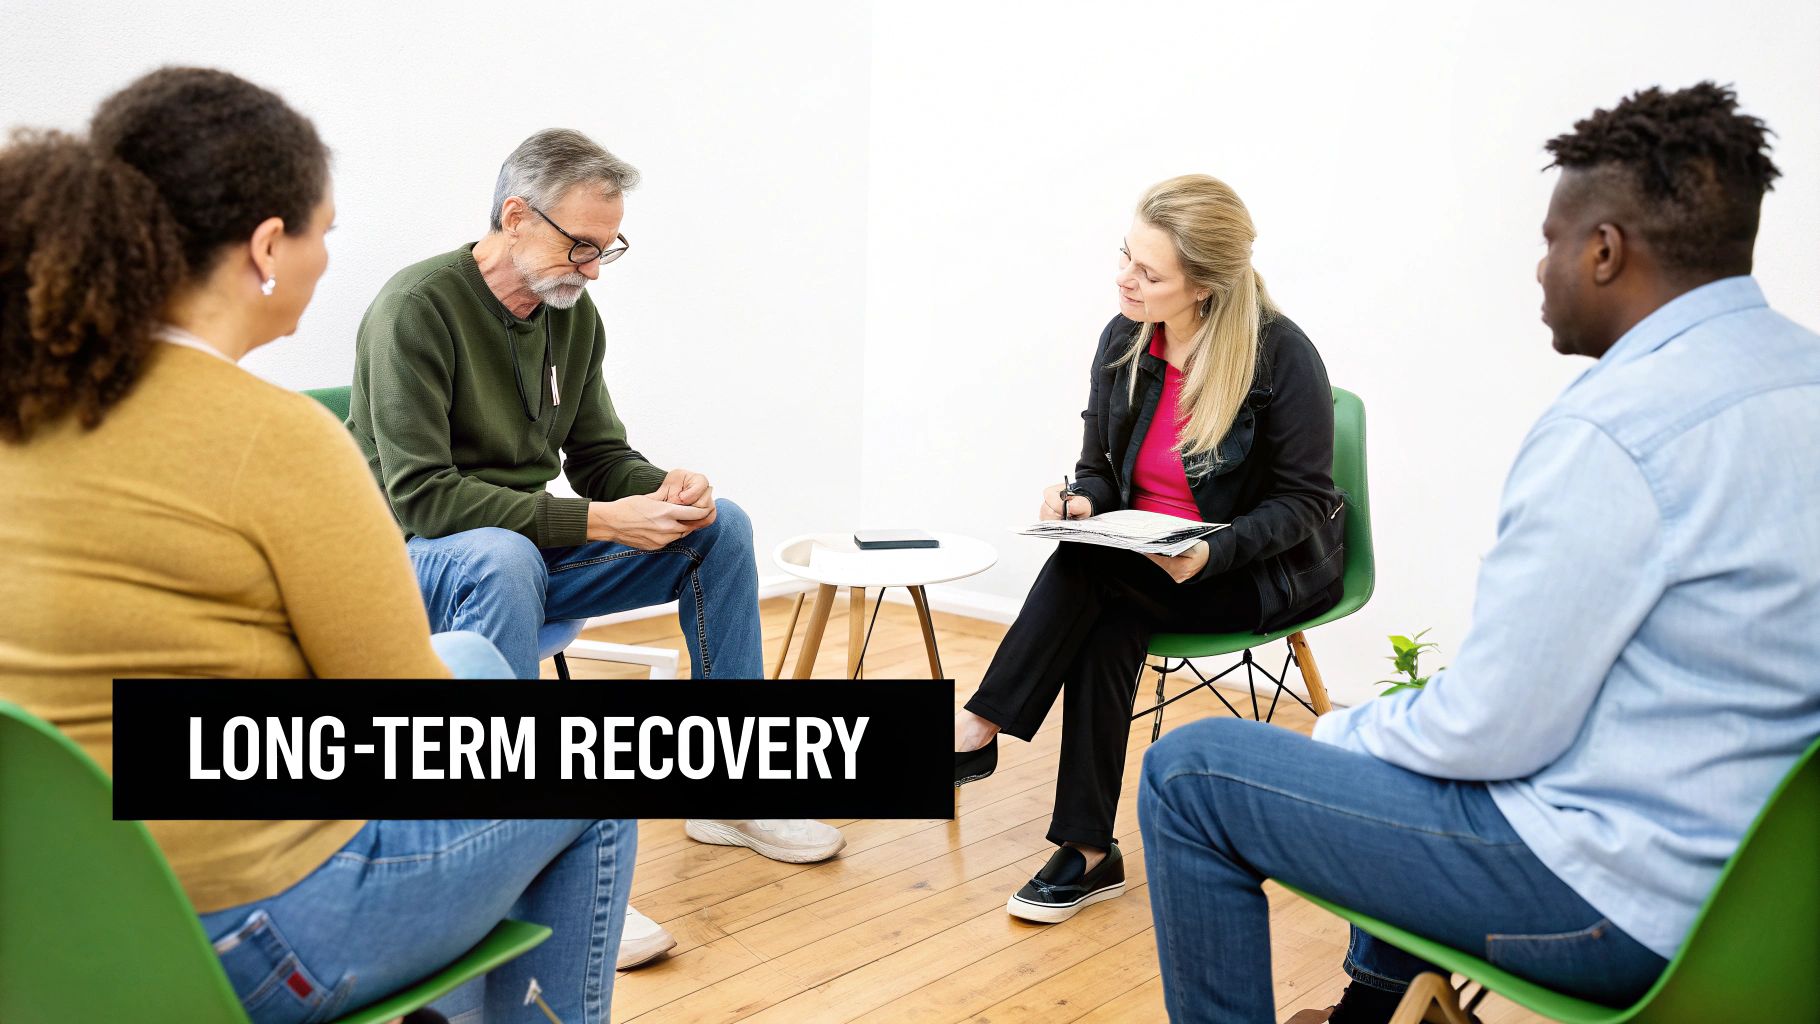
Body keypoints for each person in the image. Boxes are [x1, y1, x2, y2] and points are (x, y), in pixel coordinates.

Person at [1138, 82, 1820, 1024]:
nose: (1540, 270)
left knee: (1194, 773)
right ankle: (1368, 1016)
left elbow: (1491, 730)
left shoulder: (1614, 433)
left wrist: (1347, 731)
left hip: (1618, 909)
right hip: (1776, 906)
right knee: (1414, 745)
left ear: (1606, 250)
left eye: (1551, 242)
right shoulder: (1804, 382)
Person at [0, 68, 633, 1024]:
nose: (330, 258)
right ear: (266, 245)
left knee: (466, 655)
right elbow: (414, 740)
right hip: (245, 943)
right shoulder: (276, 435)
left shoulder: (26, 404)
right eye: (324, 231)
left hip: (54, 922)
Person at [347, 128, 845, 967]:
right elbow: (423, 500)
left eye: (607, 247)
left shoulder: (571, 320)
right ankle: (515, 865)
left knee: (722, 530)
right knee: (498, 557)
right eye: (580, 245)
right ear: (515, 215)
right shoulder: (417, 307)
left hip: (525, 551)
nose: (593, 268)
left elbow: (599, 456)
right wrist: (604, 522)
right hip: (416, 564)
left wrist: (659, 491)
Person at [951, 175, 1346, 923]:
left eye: (1149, 272)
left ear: (1202, 285)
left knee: (1093, 572)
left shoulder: (1280, 355)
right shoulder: (1124, 335)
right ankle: (1087, 851)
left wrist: (1211, 553)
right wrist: (1082, 503)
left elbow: (1304, 502)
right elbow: (1102, 469)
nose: (1124, 279)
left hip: (1252, 569)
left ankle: (979, 728)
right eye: (1126, 256)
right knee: (1102, 598)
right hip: (1138, 564)